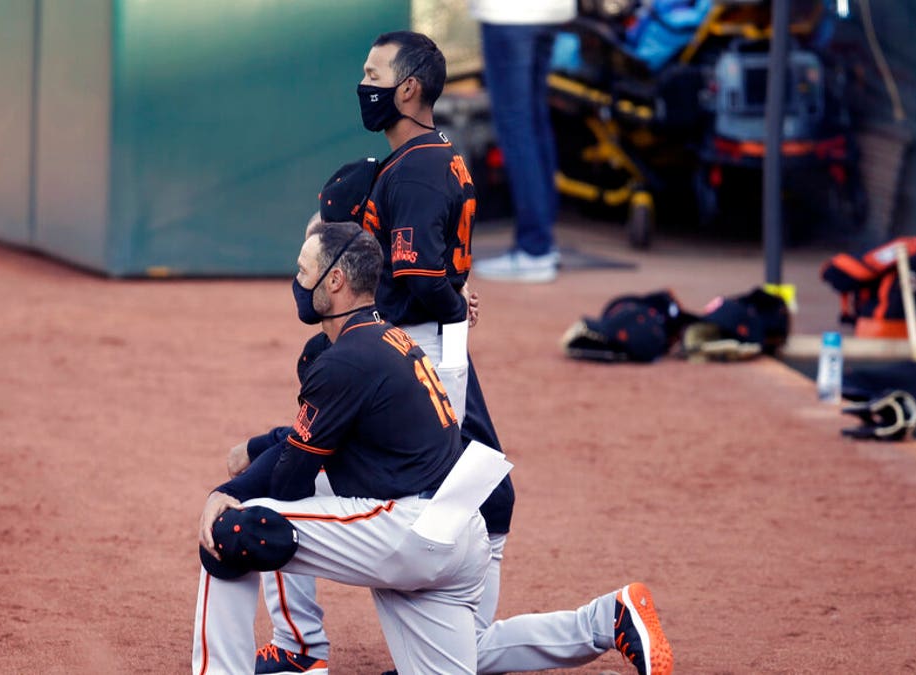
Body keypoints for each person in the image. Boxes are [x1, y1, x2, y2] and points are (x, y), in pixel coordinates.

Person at [251, 30, 673, 675]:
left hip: (412, 346)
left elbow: (417, 280)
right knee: (467, 485)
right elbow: (429, 273)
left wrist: (444, 301)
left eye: (374, 72)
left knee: (305, 479)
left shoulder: (415, 168)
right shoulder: (427, 157)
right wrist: (453, 294)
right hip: (428, 341)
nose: (363, 84)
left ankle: (299, 648)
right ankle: (591, 621)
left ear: (409, 86)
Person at [192, 222, 494, 674]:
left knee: (234, 529)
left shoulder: (345, 360)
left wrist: (226, 492)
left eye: (303, 270)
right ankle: (600, 621)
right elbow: (307, 442)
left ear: (335, 281)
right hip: (461, 534)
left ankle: (285, 654)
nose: (297, 282)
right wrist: (270, 448)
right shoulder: (391, 339)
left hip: (408, 532)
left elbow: (289, 481)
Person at [469, 0, 576, 283]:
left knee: (517, 126)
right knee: (533, 120)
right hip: (549, 11)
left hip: (509, 13)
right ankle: (542, 243)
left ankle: (535, 247)